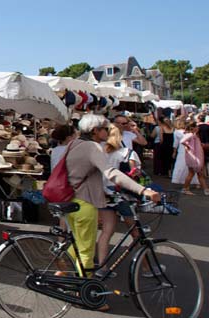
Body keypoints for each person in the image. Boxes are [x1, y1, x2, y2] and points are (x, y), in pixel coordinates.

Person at [62, 114, 159, 295]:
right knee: (86, 251)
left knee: (78, 243)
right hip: (85, 202)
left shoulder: (74, 144)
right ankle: (84, 293)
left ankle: (60, 274)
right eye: (105, 129)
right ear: (95, 131)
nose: (108, 132)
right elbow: (111, 173)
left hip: (70, 199)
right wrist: (142, 190)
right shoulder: (92, 147)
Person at [95, 125, 142, 278]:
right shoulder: (127, 153)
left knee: (107, 231)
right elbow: (135, 174)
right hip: (123, 195)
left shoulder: (99, 152)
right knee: (135, 231)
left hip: (105, 193)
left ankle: (102, 265)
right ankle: (146, 266)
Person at [181, 121, 209, 196]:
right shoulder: (191, 135)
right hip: (194, 158)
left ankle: (206, 190)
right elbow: (182, 141)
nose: (198, 128)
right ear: (193, 128)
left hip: (195, 157)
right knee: (193, 173)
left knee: (199, 174)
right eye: (196, 127)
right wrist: (188, 146)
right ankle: (185, 189)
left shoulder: (193, 135)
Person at [171, 119, 199, 186]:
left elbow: (176, 143)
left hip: (182, 149)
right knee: (191, 165)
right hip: (191, 149)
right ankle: (193, 181)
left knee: (181, 164)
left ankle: (180, 180)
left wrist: (174, 152)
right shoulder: (190, 132)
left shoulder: (176, 132)